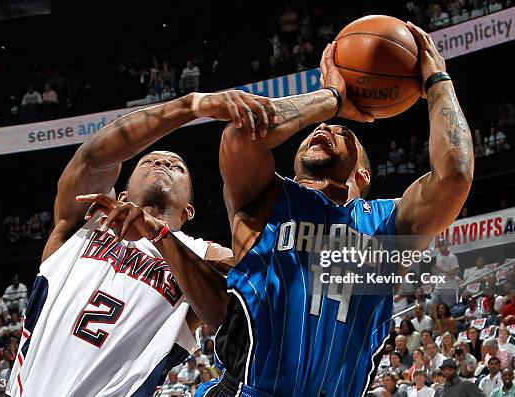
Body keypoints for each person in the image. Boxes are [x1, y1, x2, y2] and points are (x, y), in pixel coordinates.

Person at [196, 21, 474, 397]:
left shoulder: (387, 226)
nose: (325, 126)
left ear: (362, 172)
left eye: (344, 132)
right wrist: (331, 98)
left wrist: (438, 81)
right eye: (317, 128)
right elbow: (242, 132)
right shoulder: (267, 198)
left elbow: (455, 174)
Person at [5, 89, 273, 396]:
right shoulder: (81, 226)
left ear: (189, 211)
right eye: (150, 160)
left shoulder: (203, 255)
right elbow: (93, 156)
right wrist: (191, 106)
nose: (163, 161)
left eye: (178, 167)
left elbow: (257, 283)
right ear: (121, 196)